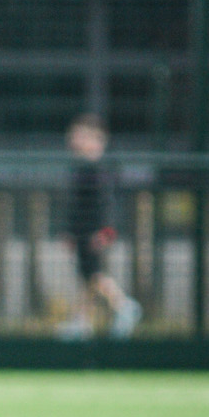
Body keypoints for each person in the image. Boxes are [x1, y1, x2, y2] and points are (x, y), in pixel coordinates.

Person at [58, 114, 140, 338]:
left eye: (79, 136)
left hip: (94, 232)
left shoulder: (99, 169)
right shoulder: (81, 167)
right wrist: (70, 231)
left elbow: (108, 203)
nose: (74, 141)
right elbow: (75, 204)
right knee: (88, 278)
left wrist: (106, 231)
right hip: (84, 231)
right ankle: (81, 321)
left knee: (93, 275)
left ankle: (123, 305)